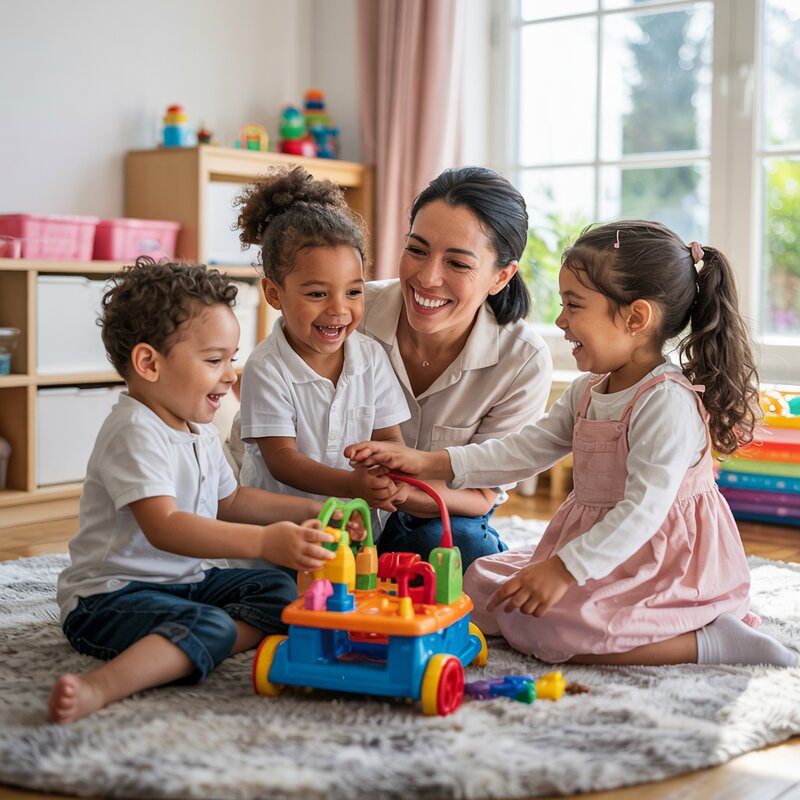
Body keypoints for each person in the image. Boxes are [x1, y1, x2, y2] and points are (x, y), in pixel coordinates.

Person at [347, 220, 800, 668]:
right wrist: (427, 462)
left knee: (550, 628)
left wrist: (564, 570)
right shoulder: (590, 389)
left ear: (636, 317)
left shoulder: (665, 402)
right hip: (602, 548)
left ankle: (713, 641)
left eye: (574, 305)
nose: (561, 321)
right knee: (483, 586)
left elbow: (642, 513)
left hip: (662, 560)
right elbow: (524, 449)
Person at [49, 258, 341, 725]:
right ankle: (99, 686)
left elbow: (232, 502)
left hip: (184, 584)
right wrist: (265, 542)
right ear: (149, 362)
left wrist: (311, 507)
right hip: (110, 600)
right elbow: (164, 527)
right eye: (214, 360)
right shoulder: (133, 431)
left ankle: (200, 642)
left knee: (278, 588)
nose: (230, 374)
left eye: (231, 357)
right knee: (209, 621)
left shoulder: (198, 428)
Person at [357, 166, 553, 569]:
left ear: (501, 276)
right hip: (337, 500)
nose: (427, 278)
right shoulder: (353, 314)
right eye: (417, 249)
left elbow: (479, 496)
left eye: (458, 264)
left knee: (462, 545)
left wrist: (389, 492)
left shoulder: (522, 360)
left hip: (439, 514)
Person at [234, 166, 410, 546]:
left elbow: (390, 438)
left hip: (357, 531)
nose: (338, 310)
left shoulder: (371, 358)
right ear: (274, 293)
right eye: (317, 294)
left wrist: (384, 467)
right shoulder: (266, 366)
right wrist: (351, 483)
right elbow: (282, 460)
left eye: (353, 292)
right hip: (280, 535)